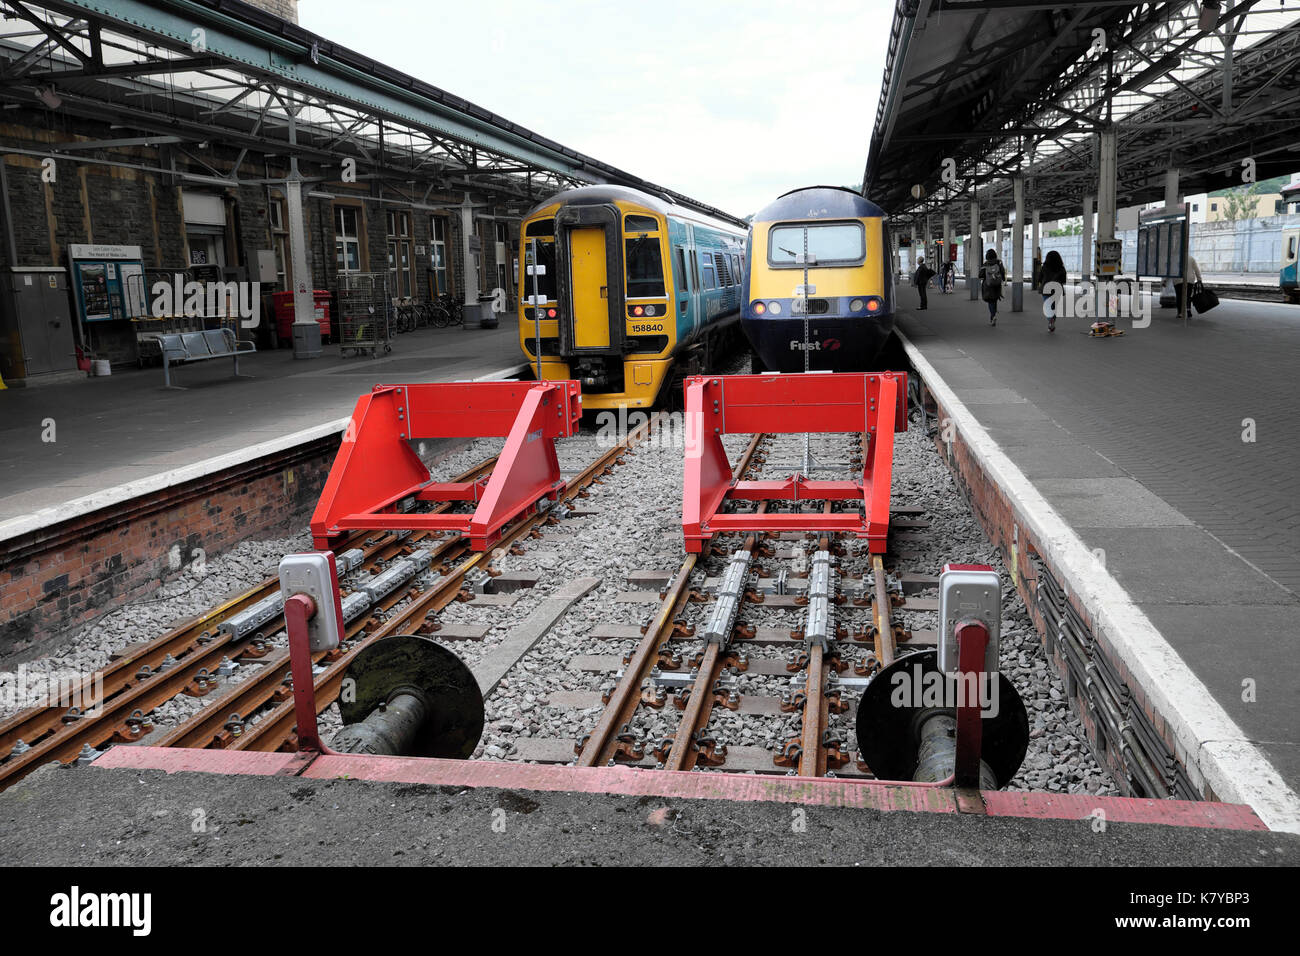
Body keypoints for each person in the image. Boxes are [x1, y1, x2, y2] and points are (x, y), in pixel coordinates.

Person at [1038, 250, 1068, 333]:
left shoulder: (1044, 267)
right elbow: (1064, 280)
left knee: (1047, 307)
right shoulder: (1061, 268)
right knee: (1053, 307)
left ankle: (1050, 319)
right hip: (1057, 289)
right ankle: (1052, 320)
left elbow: (1039, 278)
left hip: (1046, 290)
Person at [978, 249, 1005, 326]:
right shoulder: (999, 262)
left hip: (988, 285)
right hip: (997, 284)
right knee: (995, 300)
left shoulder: (986, 264)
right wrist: (1001, 280)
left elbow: (980, 275)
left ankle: (993, 316)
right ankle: (993, 315)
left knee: (990, 301)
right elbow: (1002, 272)